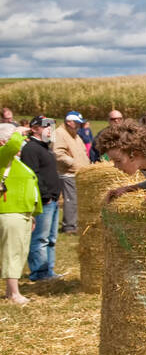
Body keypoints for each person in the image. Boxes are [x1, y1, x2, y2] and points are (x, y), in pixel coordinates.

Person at [0, 124, 42, 305]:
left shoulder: (15, 162)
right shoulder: (3, 156)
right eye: (18, 139)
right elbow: (11, 146)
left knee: (20, 251)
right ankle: (14, 293)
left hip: (22, 212)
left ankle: (11, 292)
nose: (23, 142)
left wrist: (34, 213)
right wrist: (17, 133)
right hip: (10, 211)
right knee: (12, 252)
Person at [20, 117, 61, 281]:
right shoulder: (31, 149)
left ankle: (48, 270)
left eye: (51, 126)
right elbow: (32, 174)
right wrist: (45, 196)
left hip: (53, 199)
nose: (50, 129)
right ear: (35, 128)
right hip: (45, 201)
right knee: (40, 238)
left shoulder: (45, 148)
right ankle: (38, 272)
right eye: (46, 126)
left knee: (51, 238)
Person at [52, 112, 90, 234]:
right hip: (68, 173)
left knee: (76, 199)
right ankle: (69, 227)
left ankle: (74, 224)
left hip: (78, 172)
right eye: (77, 123)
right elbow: (58, 153)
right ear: (69, 122)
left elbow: (83, 152)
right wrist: (73, 163)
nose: (80, 125)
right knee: (71, 200)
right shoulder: (60, 133)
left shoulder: (74, 135)